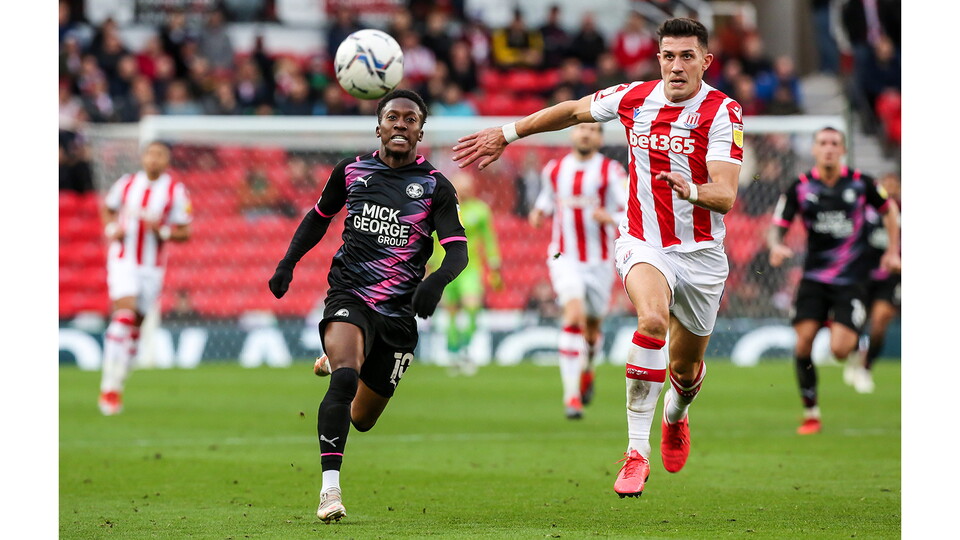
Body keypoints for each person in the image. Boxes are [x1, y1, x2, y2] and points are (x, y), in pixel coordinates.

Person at [453, 17, 744, 498]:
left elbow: (726, 194)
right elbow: (572, 111)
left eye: (687, 56)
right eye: (668, 56)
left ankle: (676, 414)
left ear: (705, 61)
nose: (676, 66)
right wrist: (507, 133)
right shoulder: (634, 98)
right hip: (643, 242)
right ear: (658, 59)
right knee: (652, 320)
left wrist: (690, 190)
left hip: (702, 255)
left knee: (685, 371)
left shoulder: (723, 112)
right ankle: (636, 452)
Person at [267, 89, 467, 523]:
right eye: (392, 117)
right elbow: (318, 218)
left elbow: (458, 250)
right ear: (379, 127)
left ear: (420, 131)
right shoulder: (351, 171)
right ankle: (330, 490)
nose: (400, 124)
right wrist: (287, 263)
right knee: (344, 380)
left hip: (398, 316)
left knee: (362, 418)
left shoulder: (435, 186)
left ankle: (345, 356)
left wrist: (435, 282)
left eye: (410, 119)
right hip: (349, 295)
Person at [767, 127, 900, 434]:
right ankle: (811, 413)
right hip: (814, 278)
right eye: (823, 143)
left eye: (834, 143)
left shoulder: (862, 183)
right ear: (814, 149)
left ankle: (841, 332)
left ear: (843, 150)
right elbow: (778, 224)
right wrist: (776, 246)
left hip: (851, 280)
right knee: (803, 343)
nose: (828, 148)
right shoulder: (800, 186)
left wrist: (892, 251)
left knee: (840, 350)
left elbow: (889, 210)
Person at [529, 123, 627, 419]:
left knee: (593, 330)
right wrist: (539, 212)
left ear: (600, 137)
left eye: (593, 130)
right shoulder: (555, 170)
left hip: (600, 261)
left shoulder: (612, 172)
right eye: (581, 128)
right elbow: (547, 199)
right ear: (572, 133)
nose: (585, 133)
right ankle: (571, 396)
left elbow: (631, 211)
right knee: (573, 316)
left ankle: (588, 367)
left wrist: (609, 217)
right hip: (563, 255)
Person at [98, 141, 192, 415]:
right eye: (150, 153)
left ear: (167, 161)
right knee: (123, 318)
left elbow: (185, 232)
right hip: (123, 259)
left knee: (135, 330)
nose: (154, 159)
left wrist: (162, 231)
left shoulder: (175, 191)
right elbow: (108, 208)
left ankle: (118, 382)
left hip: (152, 268)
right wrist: (111, 229)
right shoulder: (127, 184)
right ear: (143, 158)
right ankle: (108, 387)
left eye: (160, 155)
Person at [428, 172, 500, 376]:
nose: (466, 191)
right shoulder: (441, 208)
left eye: (468, 187)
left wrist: (494, 261)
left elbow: (489, 238)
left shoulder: (481, 210)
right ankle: (454, 353)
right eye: (462, 187)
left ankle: (465, 347)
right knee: (450, 312)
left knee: (472, 307)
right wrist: (429, 264)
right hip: (445, 267)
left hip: (470, 268)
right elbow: (431, 237)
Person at [851, 171, 901, 393]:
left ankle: (866, 367)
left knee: (880, 321)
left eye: (893, 184)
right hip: (862, 274)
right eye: (885, 184)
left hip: (889, 277)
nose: (889, 188)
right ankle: (854, 355)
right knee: (856, 322)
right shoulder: (864, 209)